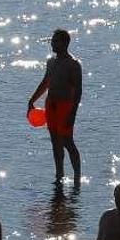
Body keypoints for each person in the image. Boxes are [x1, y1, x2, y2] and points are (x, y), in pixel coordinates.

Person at [28, 29, 82, 185]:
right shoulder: (51, 62)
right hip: (51, 104)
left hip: (65, 106)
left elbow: (78, 91)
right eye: (52, 40)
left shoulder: (73, 65)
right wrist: (32, 100)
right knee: (55, 141)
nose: (52, 43)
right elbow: (46, 82)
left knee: (67, 141)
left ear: (65, 43)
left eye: (55, 40)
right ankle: (59, 175)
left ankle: (77, 176)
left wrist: (72, 114)